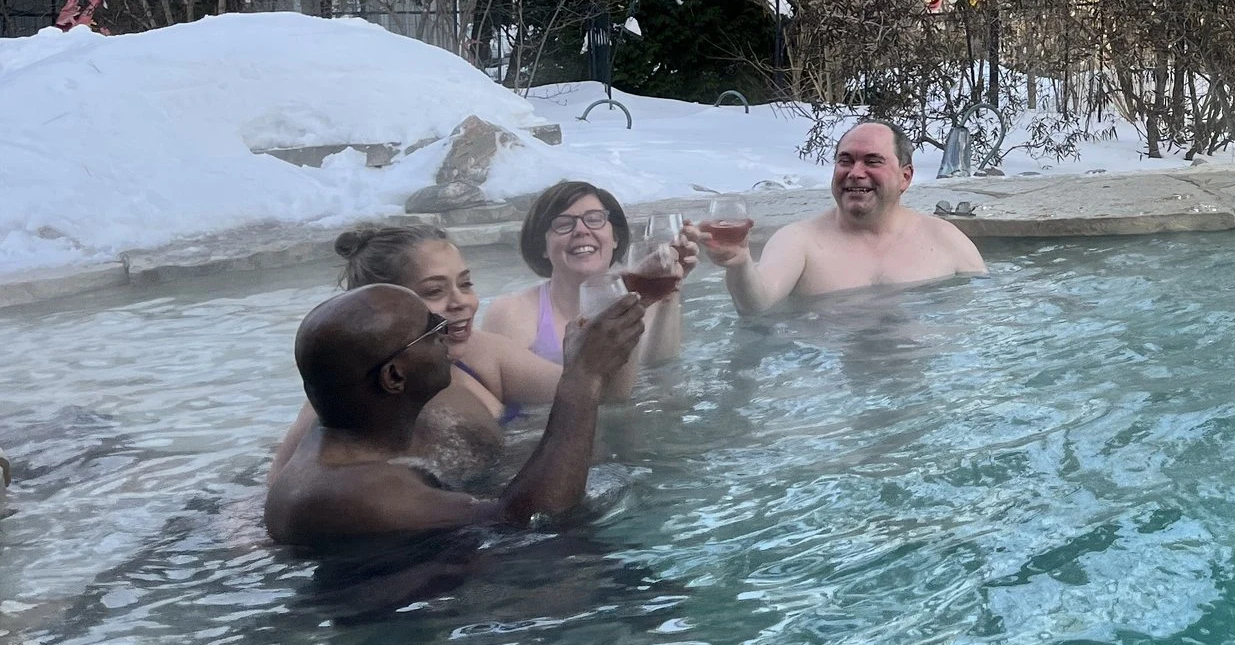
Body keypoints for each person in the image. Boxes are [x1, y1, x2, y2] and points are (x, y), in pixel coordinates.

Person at [264, 284, 644, 548]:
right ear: (394, 376)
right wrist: (582, 377)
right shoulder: (343, 493)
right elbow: (528, 521)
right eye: (432, 331)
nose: (447, 332)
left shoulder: (367, 420)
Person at [266, 225, 626, 487]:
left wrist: (632, 313)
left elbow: (606, 393)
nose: (461, 302)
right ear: (383, 310)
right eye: (435, 291)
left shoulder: (484, 355)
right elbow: (278, 489)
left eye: (465, 283)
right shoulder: (346, 403)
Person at [700, 118, 984, 314]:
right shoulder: (800, 241)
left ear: (905, 177)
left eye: (872, 161)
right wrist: (739, 265)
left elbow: (988, 320)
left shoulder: (946, 240)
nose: (855, 172)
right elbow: (757, 306)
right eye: (845, 160)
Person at [479, 180, 695, 366]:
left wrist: (669, 289)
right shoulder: (511, 312)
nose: (581, 230)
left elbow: (662, 381)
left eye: (594, 219)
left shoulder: (644, 303)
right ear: (543, 247)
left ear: (615, 238)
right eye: (563, 224)